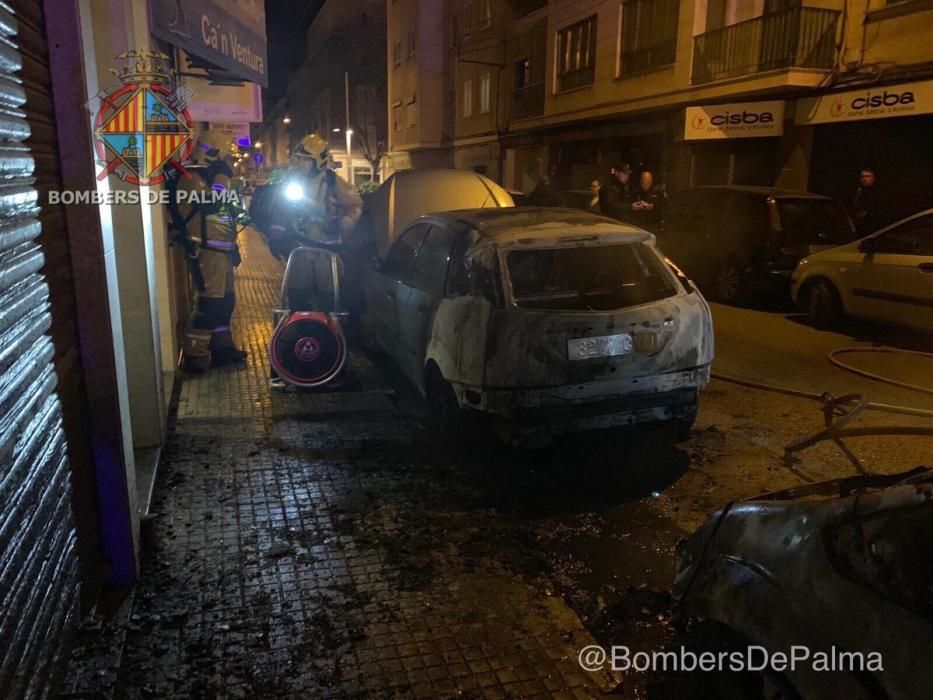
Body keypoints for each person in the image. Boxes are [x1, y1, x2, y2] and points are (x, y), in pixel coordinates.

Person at [167, 129, 248, 373]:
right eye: (225, 158)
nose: (229, 164)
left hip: (221, 251)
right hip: (204, 250)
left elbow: (225, 213)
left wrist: (232, 246)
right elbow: (213, 203)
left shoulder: (209, 178)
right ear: (213, 155)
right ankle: (195, 355)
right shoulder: (192, 178)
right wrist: (222, 177)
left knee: (226, 302)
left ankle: (222, 348)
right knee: (210, 304)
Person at [850, 168, 882, 235]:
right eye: (863, 176)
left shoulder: (878, 193)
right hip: (857, 226)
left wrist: (866, 214)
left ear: (873, 178)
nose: (865, 179)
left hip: (873, 227)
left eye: (868, 176)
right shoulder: (858, 191)